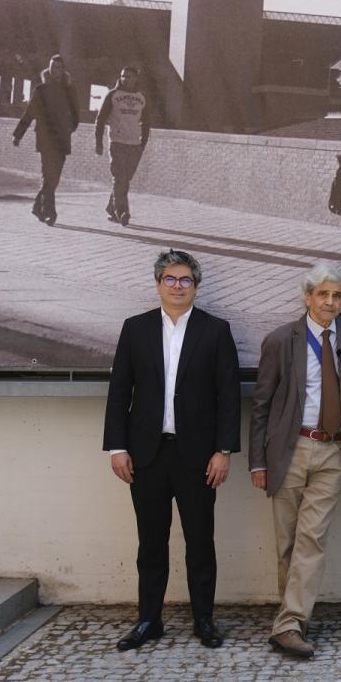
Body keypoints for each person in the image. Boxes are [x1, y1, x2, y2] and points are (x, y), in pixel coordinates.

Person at [103, 249, 240, 652]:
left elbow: (228, 396)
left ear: (196, 286)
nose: (178, 286)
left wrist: (224, 451)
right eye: (171, 279)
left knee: (200, 541)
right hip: (146, 455)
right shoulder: (136, 328)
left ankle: (204, 620)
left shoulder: (216, 330)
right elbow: (119, 393)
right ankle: (149, 619)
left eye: (186, 280)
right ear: (158, 283)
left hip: (198, 456)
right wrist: (117, 447)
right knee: (150, 542)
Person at [248, 263, 341, 658]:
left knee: (312, 538)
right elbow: (261, 405)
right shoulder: (279, 340)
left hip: (334, 449)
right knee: (287, 543)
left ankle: (288, 624)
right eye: (323, 294)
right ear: (307, 297)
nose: (330, 302)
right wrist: (258, 461)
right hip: (289, 449)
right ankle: (292, 620)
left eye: (337, 295)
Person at [13, 54, 79, 225]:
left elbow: (76, 115)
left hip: (62, 140)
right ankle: (50, 212)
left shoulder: (69, 91)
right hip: (45, 139)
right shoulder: (41, 90)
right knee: (48, 176)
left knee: (54, 178)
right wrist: (18, 134)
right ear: (48, 69)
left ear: (63, 71)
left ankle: (37, 207)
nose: (56, 70)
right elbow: (30, 113)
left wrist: (69, 128)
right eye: (53, 67)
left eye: (59, 67)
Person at [95, 66, 150, 226]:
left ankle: (111, 209)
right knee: (120, 179)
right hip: (117, 142)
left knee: (126, 179)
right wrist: (98, 142)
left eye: (129, 76)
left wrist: (143, 143)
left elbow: (146, 122)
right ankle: (123, 212)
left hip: (134, 144)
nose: (125, 79)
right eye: (123, 76)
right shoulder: (113, 95)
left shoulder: (142, 97)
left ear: (136, 79)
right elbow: (100, 119)